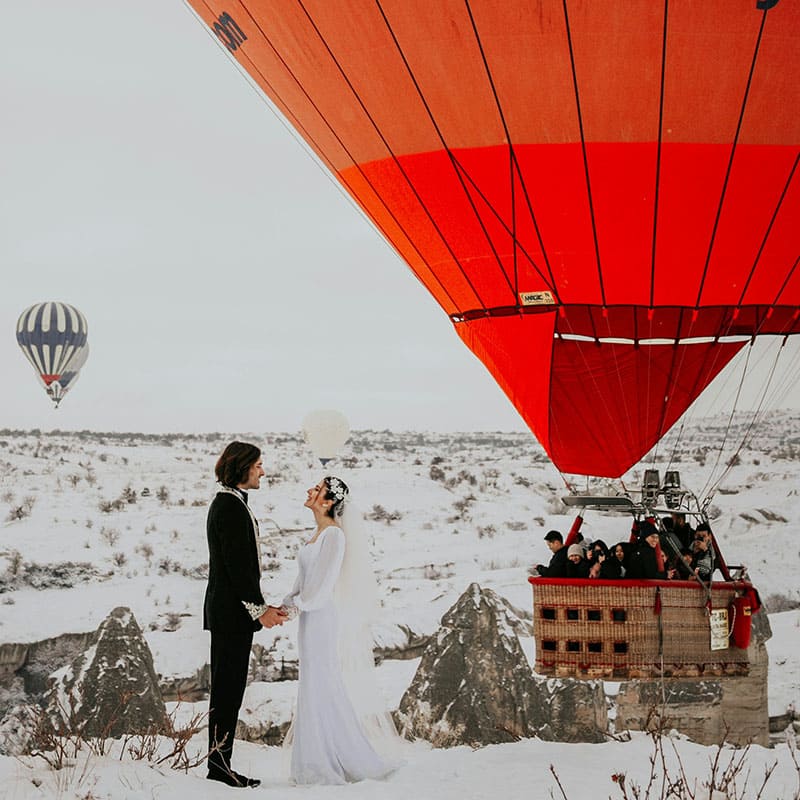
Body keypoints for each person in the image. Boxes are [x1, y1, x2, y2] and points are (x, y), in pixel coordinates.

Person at [281, 476, 399, 785]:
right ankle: (316, 759)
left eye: (316, 489)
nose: (309, 490)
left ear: (329, 502)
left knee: (323, 684)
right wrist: (287, 601)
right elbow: (305, 581)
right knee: (314, 683)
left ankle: (328, 762)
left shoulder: (333, 535)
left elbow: (321, 588)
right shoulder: (318, 534)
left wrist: (297, 606)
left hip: (320, 618)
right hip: (310, 619)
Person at [204, 441, 287, 788]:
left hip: (228, 613)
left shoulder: (230, 503)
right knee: (227, 693)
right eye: (258, 466)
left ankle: (219, 764)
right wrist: (259, 610)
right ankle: (220, 768)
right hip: (231, 614)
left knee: (227, 691)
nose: (262, 472)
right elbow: (238, 570)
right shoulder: (230, 508)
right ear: (242, 468)